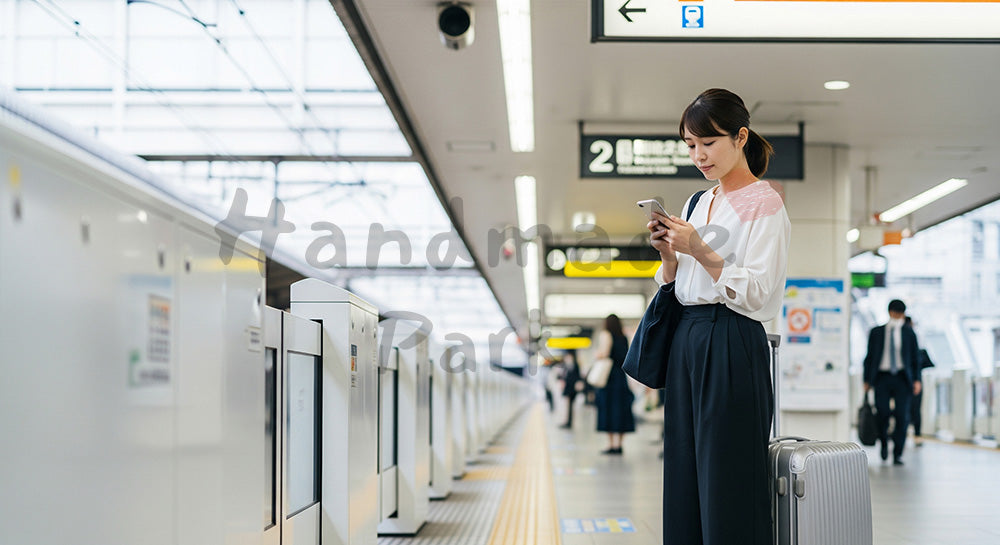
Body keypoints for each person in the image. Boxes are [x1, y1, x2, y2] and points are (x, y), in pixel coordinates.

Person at [646, 88, 790, 545]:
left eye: (708, 142)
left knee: (728, 477)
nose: (699, 155)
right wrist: (670, 256)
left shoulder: (764, 202)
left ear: (740, 136)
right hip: (688, 339)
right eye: (690, 145)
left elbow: (759, 291)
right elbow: (679, 282)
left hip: (732, 338)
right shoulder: (696, 202)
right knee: (685, 475)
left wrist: (699, 249)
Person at [863, 302, 922, 465]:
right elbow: (869, 357)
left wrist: (917, 380)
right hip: (882, 377)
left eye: (900, 314)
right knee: (882, 412)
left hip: (903, 379)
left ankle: (897, 453)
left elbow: (916, 358)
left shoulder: (909, 333)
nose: (898, 317)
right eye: (896, 313)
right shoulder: (877, 332)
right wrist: (866, 380)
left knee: (902, 416)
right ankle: (883, 442)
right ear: (890, 313)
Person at [593, 314, 636, 454]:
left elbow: (604, 353)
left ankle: (611, 444)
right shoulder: (623, 337)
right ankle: (620, 444)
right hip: (620, 377)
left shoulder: (606, 334)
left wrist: (597, 354)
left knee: (608, 409)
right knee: (621, 410)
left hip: (609, 378)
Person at [559, 350, 581, 428]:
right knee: (567, 406)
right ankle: (567, 421)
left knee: (569, 406)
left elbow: (576, 377)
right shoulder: (566, 366)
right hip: (567, 388)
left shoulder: (574, 365)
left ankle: (568, 422)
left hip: (571, 389)